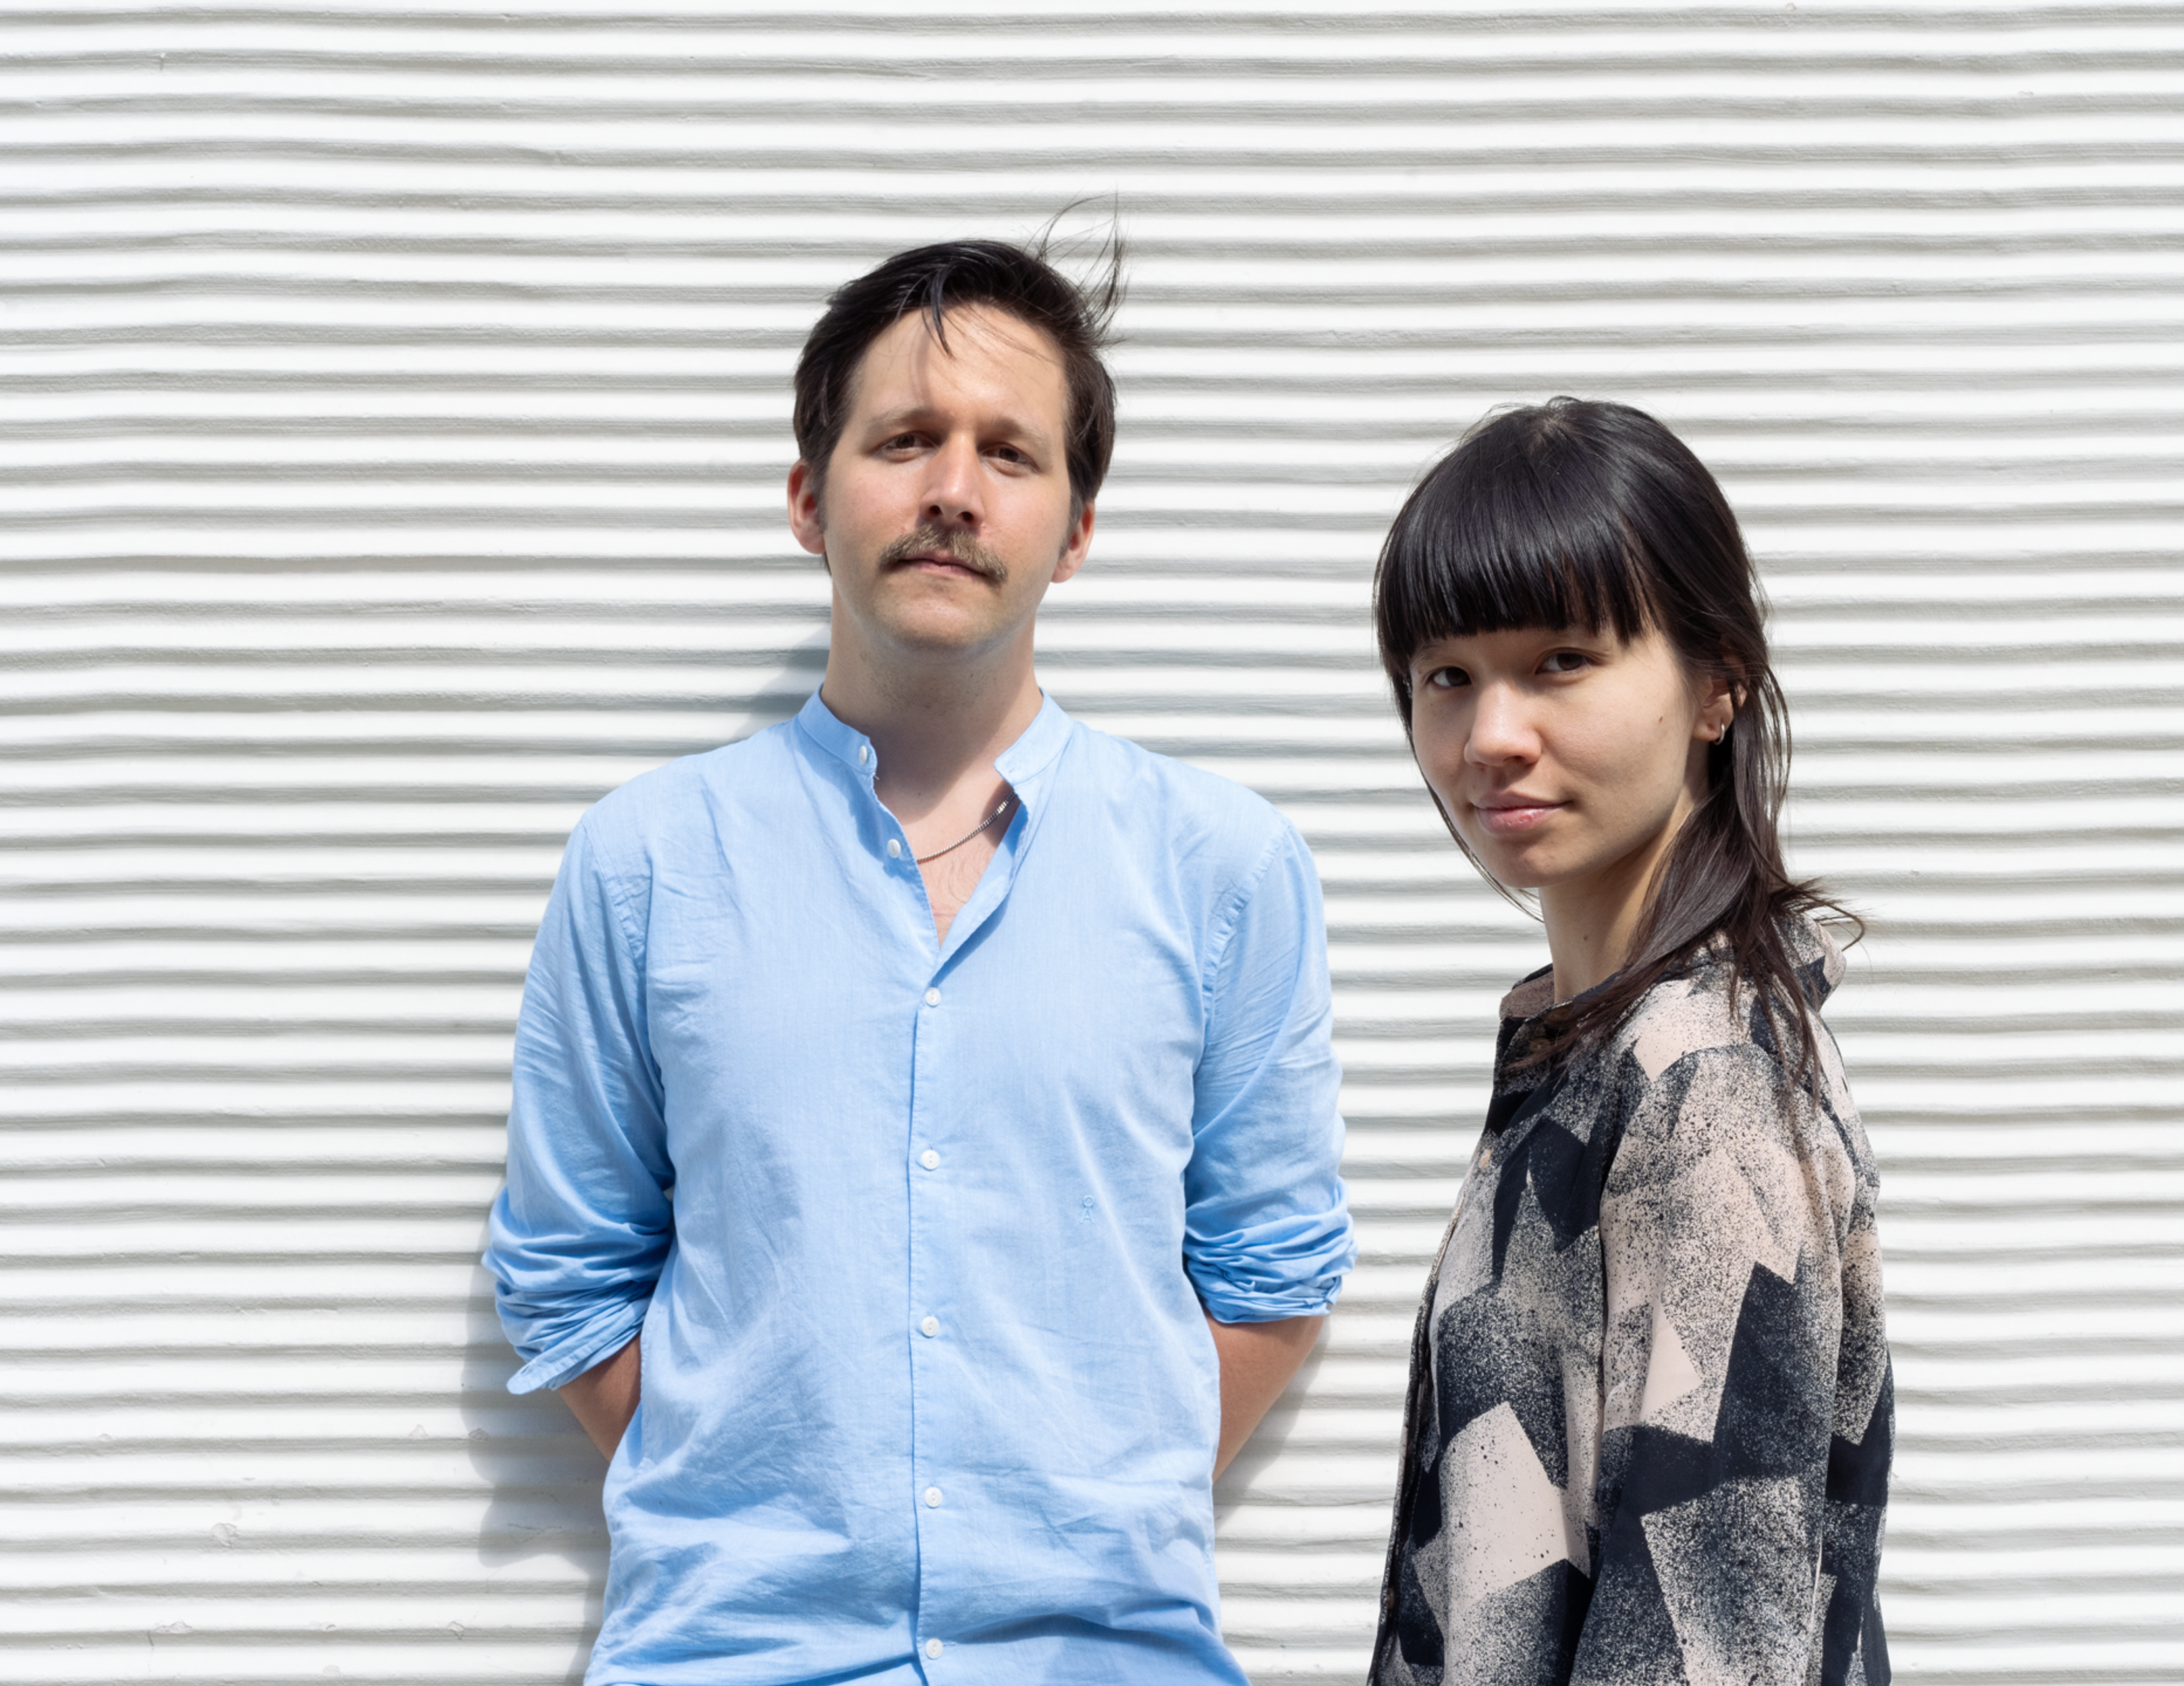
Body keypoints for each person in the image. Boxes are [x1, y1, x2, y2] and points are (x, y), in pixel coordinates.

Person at [483, 236, 1355, 1685]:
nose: (953, 487)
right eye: (905, 440)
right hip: (727, 1653)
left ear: (1075, 528)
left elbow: (1273, 1270)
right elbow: (567, 1271)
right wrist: (765, 1488)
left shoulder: (1225, 865)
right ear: (810, 498)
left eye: (1010, 451)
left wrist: (1087, 1504)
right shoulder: (645, 861)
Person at [1365, 399, 1892, 1685]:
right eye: (1447, 675)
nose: (1491, 734)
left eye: (1561, 661)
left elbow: (1712, 1648)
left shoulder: (1703, 1086)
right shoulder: (1595, 1054)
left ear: (1718, 684)